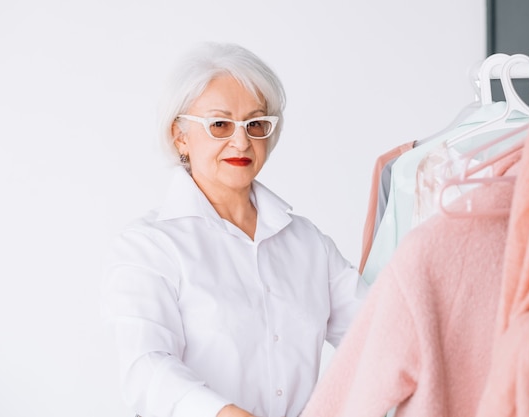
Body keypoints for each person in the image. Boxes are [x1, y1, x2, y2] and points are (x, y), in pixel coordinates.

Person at [101, 42, 366, 417]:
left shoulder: (308, 244)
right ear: (180, 136)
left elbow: (377, 333)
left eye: (255, 123)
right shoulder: (148, 246)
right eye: (220, 124)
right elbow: (145, 368)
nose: (241, 141)